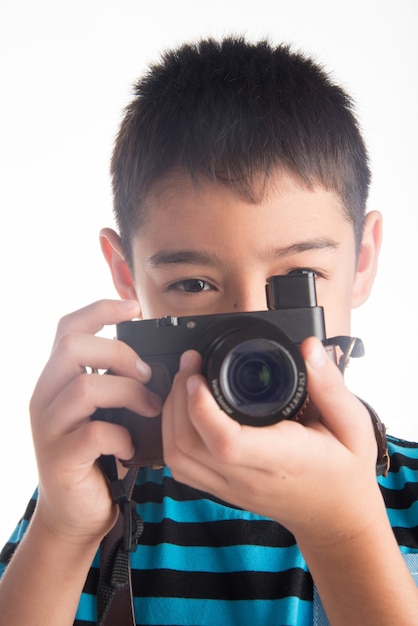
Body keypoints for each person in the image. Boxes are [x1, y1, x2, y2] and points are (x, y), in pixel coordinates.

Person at [0, 36, 417, 626]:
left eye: (296, 280)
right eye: (194, 285)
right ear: (126, 273)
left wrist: (346, 527)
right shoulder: (99, 494)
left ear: (363, 261)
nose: (252, 333)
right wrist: (66, 529)